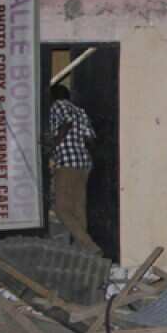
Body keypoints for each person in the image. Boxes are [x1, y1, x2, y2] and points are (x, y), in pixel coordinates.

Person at [46, 85, 100, 254]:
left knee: (61, 209)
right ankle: (82, 252)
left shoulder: (58, 105)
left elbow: (66, 123)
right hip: (83, 163)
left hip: (67, 161)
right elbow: (90, 139)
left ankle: (90, 247)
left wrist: (54, 144)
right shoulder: (81, 111)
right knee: (78, 210)